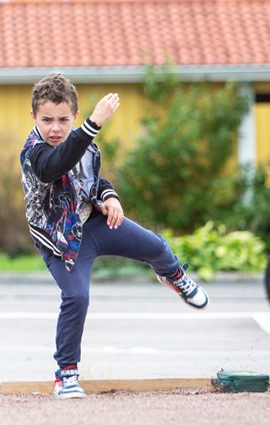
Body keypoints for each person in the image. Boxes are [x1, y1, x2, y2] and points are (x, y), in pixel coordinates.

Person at [19, 72, 209, 399]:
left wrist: (110, 197)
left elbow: (92, 179)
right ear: (33, 116)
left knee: (155, 246)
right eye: (47, 120)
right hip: (61, 241)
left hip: (94, 223)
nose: (55, 129)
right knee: (77, 297)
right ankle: (66, 375)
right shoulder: (33, 152)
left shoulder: (81, 143)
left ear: (74, 116)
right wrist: (93, 124)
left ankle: (173, 276)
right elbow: (55, 166)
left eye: (63, 120)